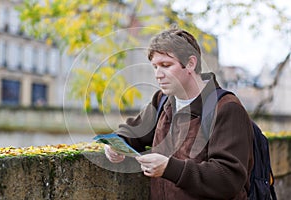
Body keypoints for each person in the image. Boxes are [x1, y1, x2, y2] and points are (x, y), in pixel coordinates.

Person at [104, 26, 254, 199]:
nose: (158, 74)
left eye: (166, 65)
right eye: (155, 67)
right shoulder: (162, 100)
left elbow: (228, 179)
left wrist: (169, 168)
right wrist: (115, 142)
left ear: (190, 63)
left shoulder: (227, 108)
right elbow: (134, 132)